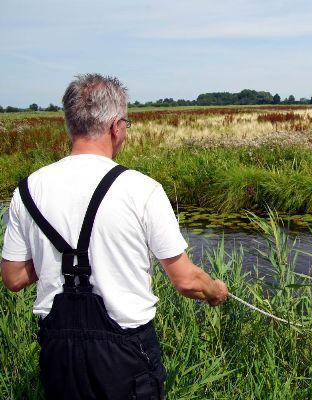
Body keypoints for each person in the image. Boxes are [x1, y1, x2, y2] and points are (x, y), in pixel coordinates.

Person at [0, 74, 228, 399]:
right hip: (126, 351)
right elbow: (187, 281)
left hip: (58, 351)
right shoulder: (141, 189)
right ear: (115, 126)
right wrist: (215, 291)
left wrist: (52, 251)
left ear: (71, 124)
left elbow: (13, 277)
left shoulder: (27, 190)